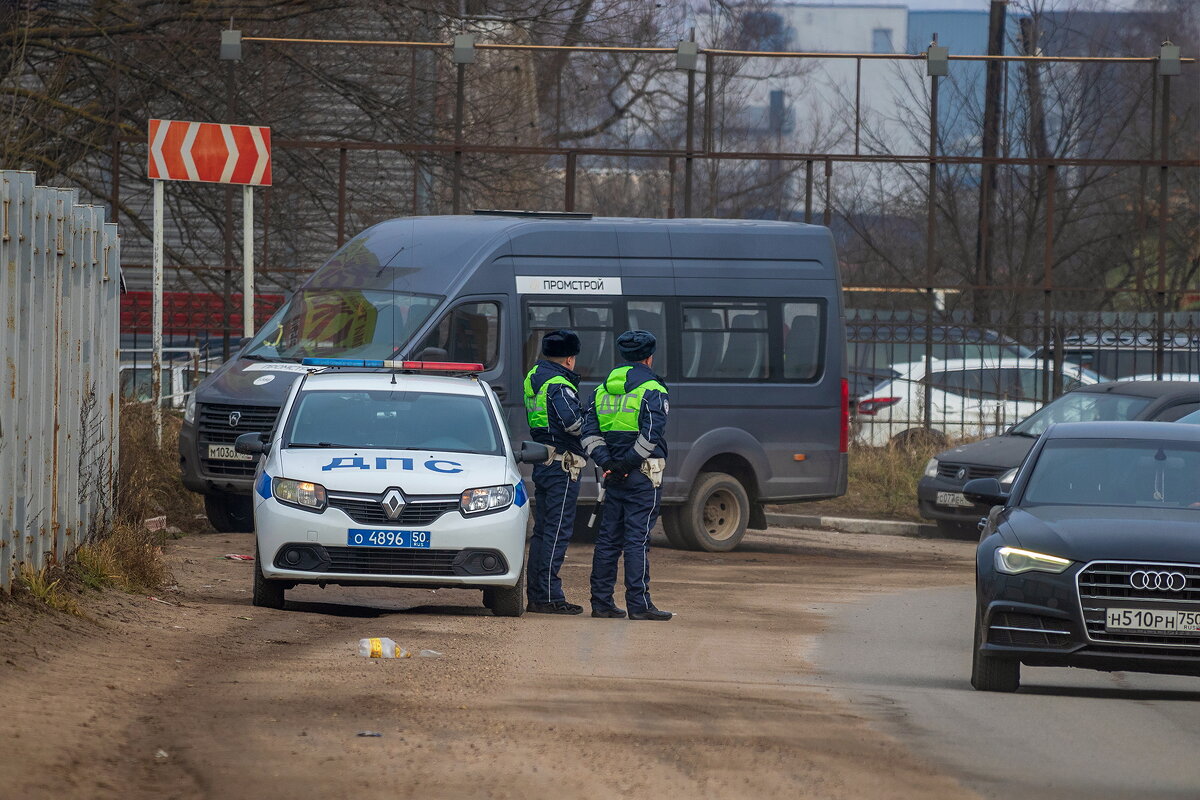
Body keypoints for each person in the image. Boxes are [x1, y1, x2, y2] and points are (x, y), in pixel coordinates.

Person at [582, 330, 672, 621]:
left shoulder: (601, 389)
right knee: (637, 539)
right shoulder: (652, 389)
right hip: (643, 477)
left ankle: (601, 603)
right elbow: (651, 434)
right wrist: (628, 464)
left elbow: (589, 433)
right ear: (649, 357)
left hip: (612, 476)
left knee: (608, 540)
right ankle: (639, 605)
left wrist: (609, 463)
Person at [523, 329, 589, 615]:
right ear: (570, 359)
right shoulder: (559, 384)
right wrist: (593, 419)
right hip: (562, 465)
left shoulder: (534, 376)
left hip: (544, 460)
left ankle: (538, 594)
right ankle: (549, 597)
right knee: (556, 532)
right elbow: (572, 424)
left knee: (542, 532)